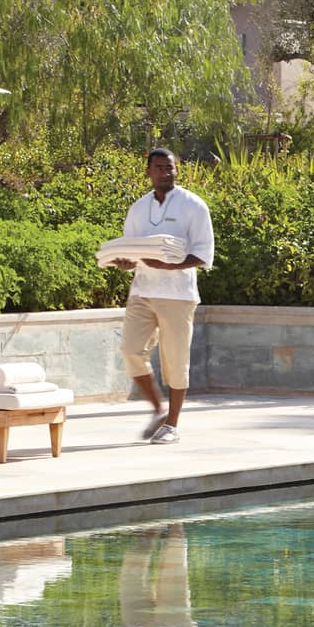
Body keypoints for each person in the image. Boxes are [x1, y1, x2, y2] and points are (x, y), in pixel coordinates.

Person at [113, 148, 214, 444]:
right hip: (142, 291)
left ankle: (172, 424)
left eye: (170, 168)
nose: (165, 173)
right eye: (159, 168)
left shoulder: (194, 206)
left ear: (176, 170)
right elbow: (131, 248)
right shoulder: (138, 208)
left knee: (176, 361)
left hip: (177, 295)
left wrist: (172, 264)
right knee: (131, 351)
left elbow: (204, 254)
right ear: (148, 171)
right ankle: (157, 409)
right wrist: (125, 261)